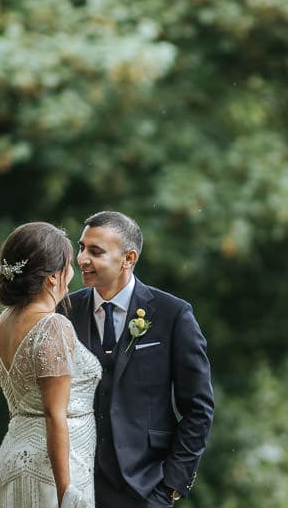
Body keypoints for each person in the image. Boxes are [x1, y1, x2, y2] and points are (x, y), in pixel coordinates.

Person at [69, 211, 214, 508]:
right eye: (82, 248)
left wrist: (171, 485)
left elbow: (198, 408)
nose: (82, 259)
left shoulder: (173, 314)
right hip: (78, 486)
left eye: (95, 251)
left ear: (128, 258)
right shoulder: (66, 312)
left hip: (146, 487)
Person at [0, 222, 102, 508]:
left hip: (12, 459)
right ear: (52, 277)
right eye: (68, 265)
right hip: (50, 473)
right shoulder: (53, 325)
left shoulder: (4, 321)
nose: (72, 273)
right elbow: (55, 415)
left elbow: (18, 406)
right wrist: (67, 493)